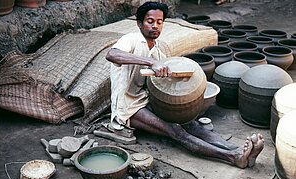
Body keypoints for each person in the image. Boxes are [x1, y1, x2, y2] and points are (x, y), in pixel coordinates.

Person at [105, 1, 264, 169]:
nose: (155, 26)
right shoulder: (131, 39)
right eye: (150, 21)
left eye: (159, 22)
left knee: (190, 122)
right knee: (175, 130)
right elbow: (112, 54)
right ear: (139, 23)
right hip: (128, 106)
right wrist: (151, 63)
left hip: (146, 99)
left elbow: (162, 82)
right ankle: (234, 157)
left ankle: (237, 149)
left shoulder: (159, 50)